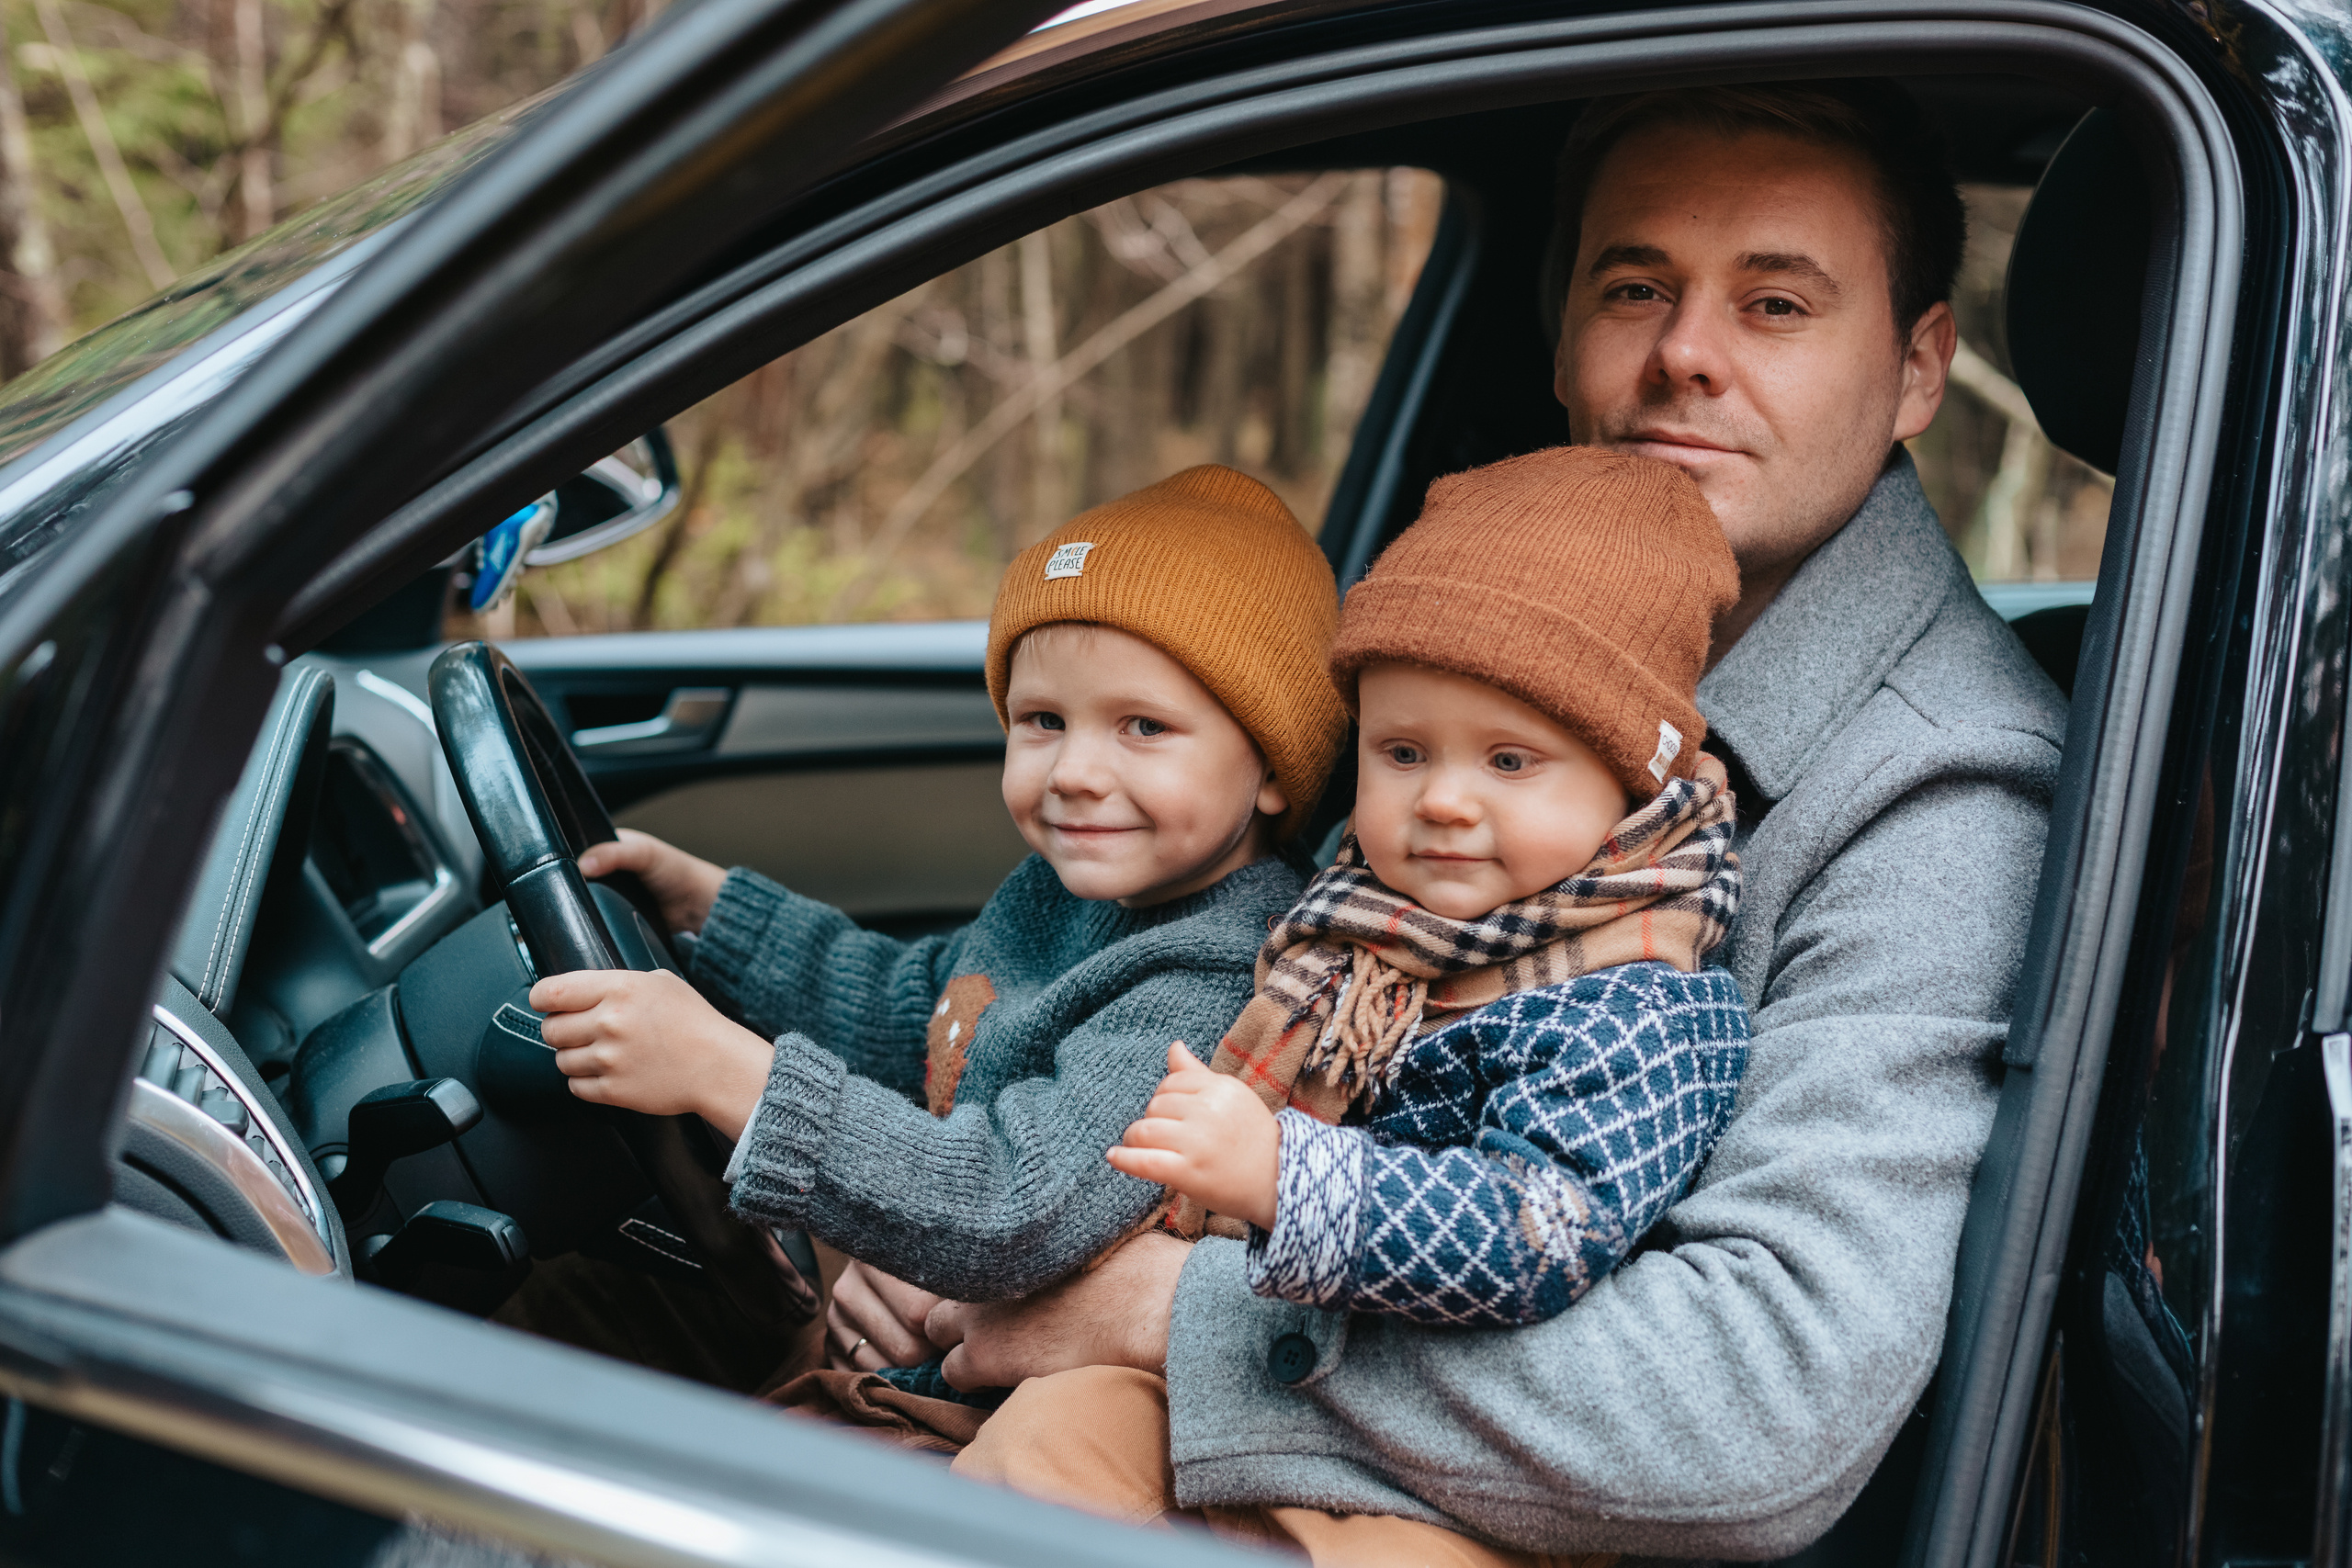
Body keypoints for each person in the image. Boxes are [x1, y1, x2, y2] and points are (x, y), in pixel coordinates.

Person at [918, 80, 2072, 1562]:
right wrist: (968, 1216)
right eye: (1634, 286)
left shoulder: (1943, 789)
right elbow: (1213, 985)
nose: (1684, 357)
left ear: (1918, 369)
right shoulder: (1471, 635)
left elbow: (1756, 1406)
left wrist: (1159, 1316)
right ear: (1565, 334)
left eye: (1776, 303)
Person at [960, 447, 1752, 1560]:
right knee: (1042, 1440)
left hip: (1458, 1475)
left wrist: (1288, 1179)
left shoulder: (1634, 1003)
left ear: (1633, 785)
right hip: (1273, 1391)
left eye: (1511, 761)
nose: (1441, 800)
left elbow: (1542, 1230)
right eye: (1401, 750)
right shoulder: (1344, 932)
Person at [509, 465, 1344, 1416]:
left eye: (1142, 727)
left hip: (968, 1411)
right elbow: (927, 1013)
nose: (1072, 770)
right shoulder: (1066, 895)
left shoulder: (1210, 975)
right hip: (895, 1340)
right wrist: (712, 913)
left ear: (1274, 767)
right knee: (561, 1295)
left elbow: (1008, 1207)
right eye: (1041, 721)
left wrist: (724, 1073)